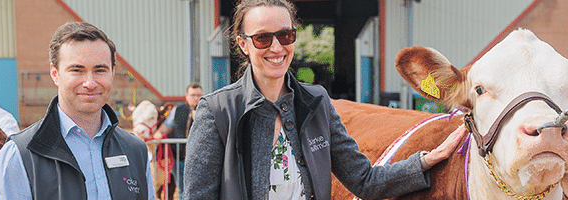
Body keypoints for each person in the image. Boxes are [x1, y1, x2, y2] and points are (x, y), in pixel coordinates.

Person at [184, 0, 466, 199]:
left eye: (285, 35)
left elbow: (366, 181)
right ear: (243, 44)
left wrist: (427, 160)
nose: (276, 47)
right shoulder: (217, 111)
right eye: (262, 38)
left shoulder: (316, 102)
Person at [0, 21, 153, 200]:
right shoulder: (19, 155)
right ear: (55, 74)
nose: (90, 83)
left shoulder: (136, 151)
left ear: (112, 73)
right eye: (77, 70)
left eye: (100, 70)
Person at [152, 82, 202, 199]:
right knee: (182, 189)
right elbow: (166, 127)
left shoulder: (206, 110)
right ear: (186, 96)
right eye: (193, 95)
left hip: (199, 158)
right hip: (179, 157)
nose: (196, 98)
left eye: (198, 95)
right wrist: (158, 133)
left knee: (198, 188)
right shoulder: (178, 110)